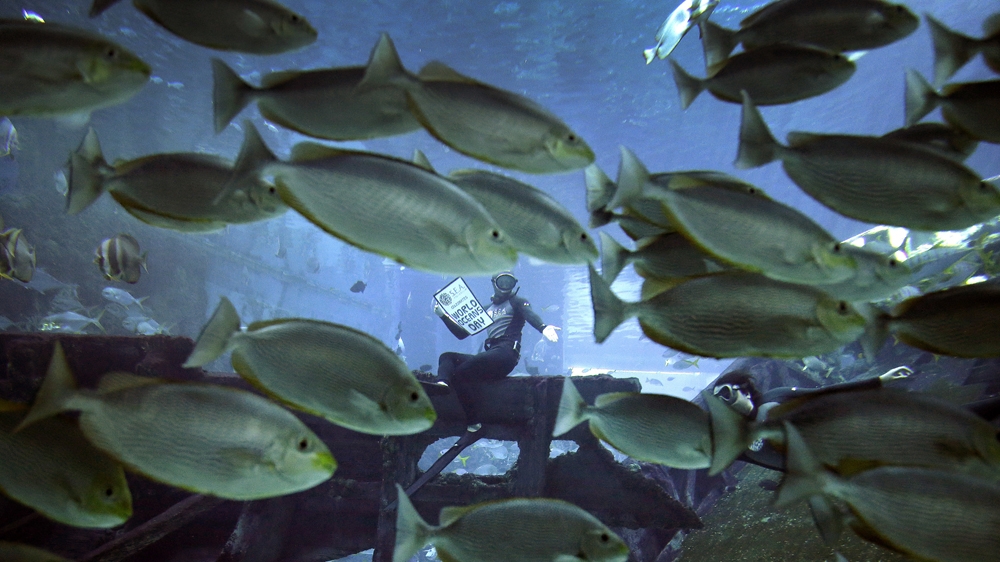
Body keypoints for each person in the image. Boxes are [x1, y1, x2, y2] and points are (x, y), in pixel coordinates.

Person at [710, 366, 914, 472]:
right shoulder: (738, 440)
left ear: (744, 390)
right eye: (718, 401)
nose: (724, 403)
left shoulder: (776, 396)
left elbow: (826, 392)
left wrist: (880, 380)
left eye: (726, 393)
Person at [434, 271, 560, 430]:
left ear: (514, 284)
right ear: (494, 283)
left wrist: (543, 327)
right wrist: (444, 316)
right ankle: (442, 384)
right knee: (447, 357)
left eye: (509, 282)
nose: (505, 286)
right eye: (502, 282)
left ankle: (473, 421)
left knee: (460, 372)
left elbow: (529, 315)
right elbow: (462, 334)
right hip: (492, 354)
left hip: (507, 353)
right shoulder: (486, 309)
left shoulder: (517, 302)